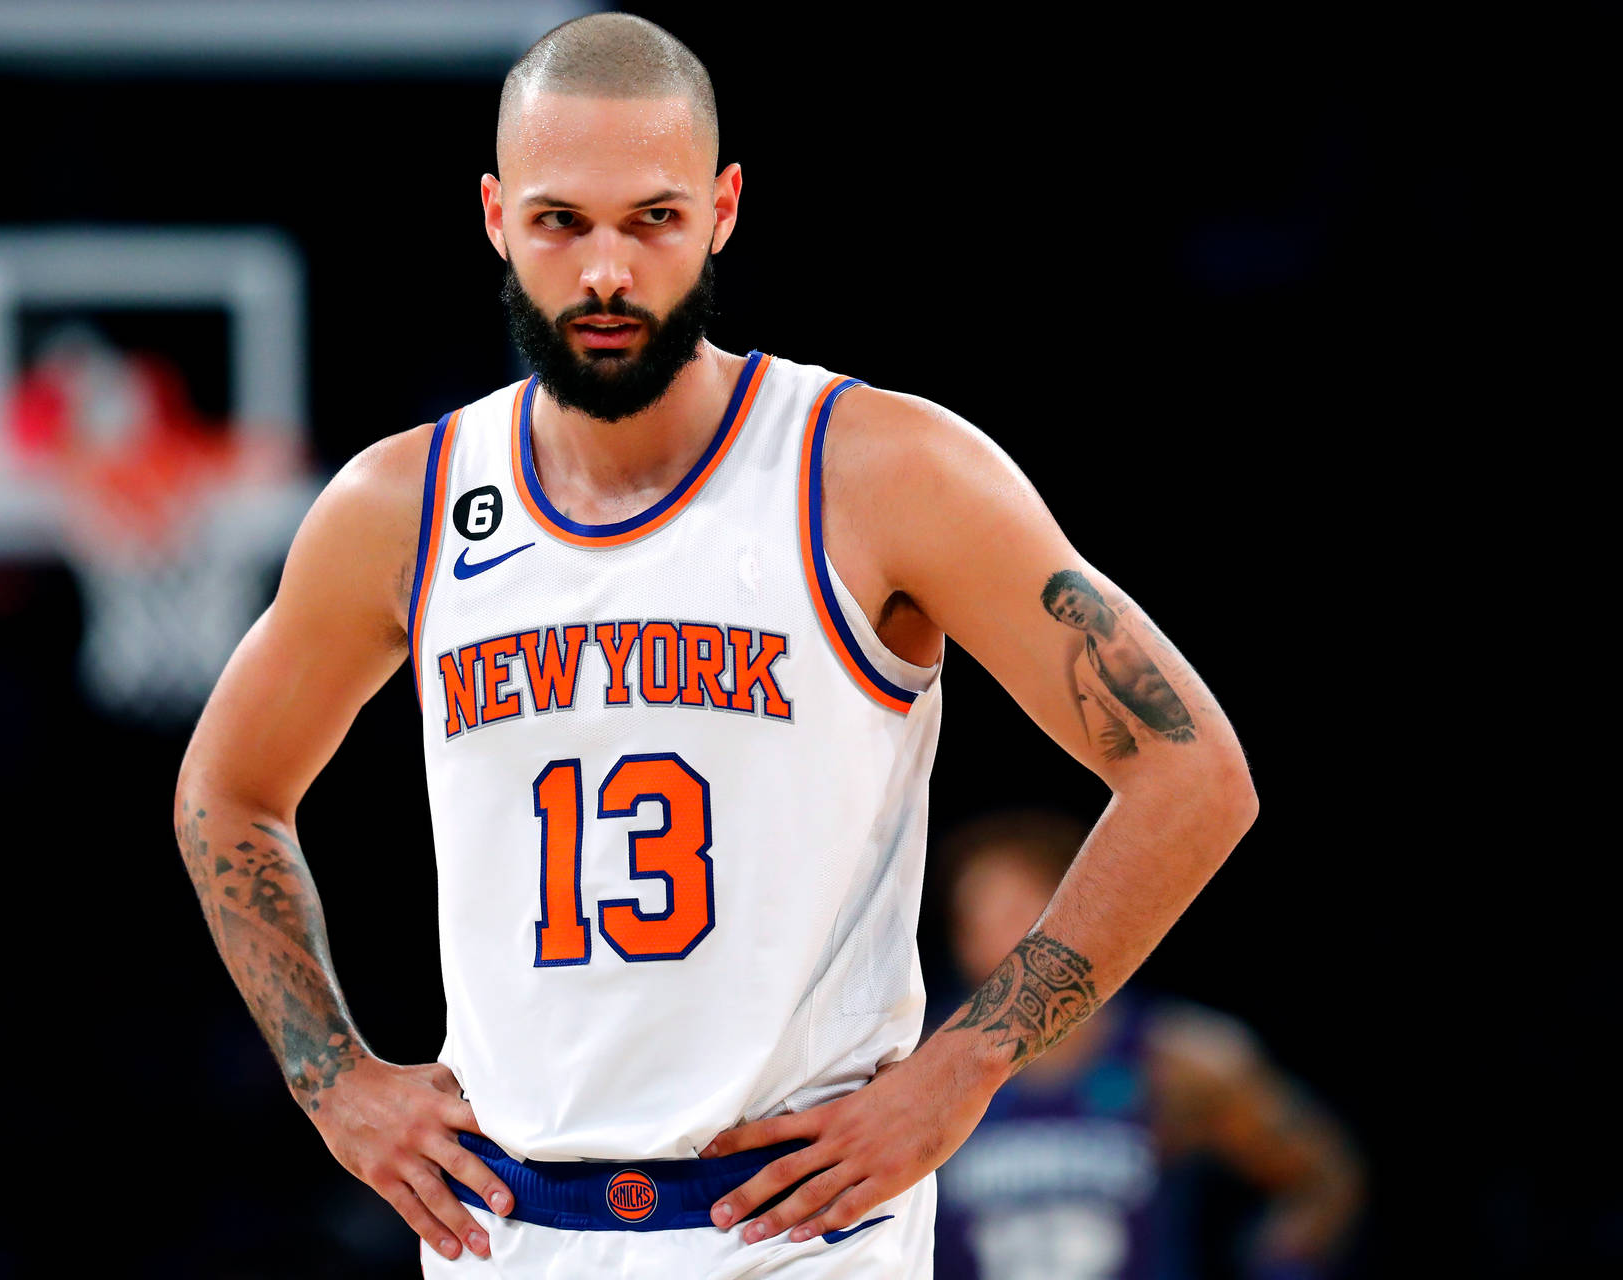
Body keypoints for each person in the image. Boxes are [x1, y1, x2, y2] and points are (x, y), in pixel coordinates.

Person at [172, 13, 1258, 1277]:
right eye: (561, 221)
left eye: (654, 219)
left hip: (800, 1235)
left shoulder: (877, 470)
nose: (606, 272)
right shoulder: (399, 506)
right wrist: (332, 1079)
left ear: (726, 207)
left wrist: (969, 1067)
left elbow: (1194, 773)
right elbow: (227, 792)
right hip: (507, 1235)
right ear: (493, 215)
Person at [930, 812, 1363, 1279]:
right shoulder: (922, 1069)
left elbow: (1321, 1179)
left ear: (1075, 918)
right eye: (974, 922)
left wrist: (1282, 1263)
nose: (995, 940)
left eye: (1015, 912)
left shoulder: (1176, 1060)